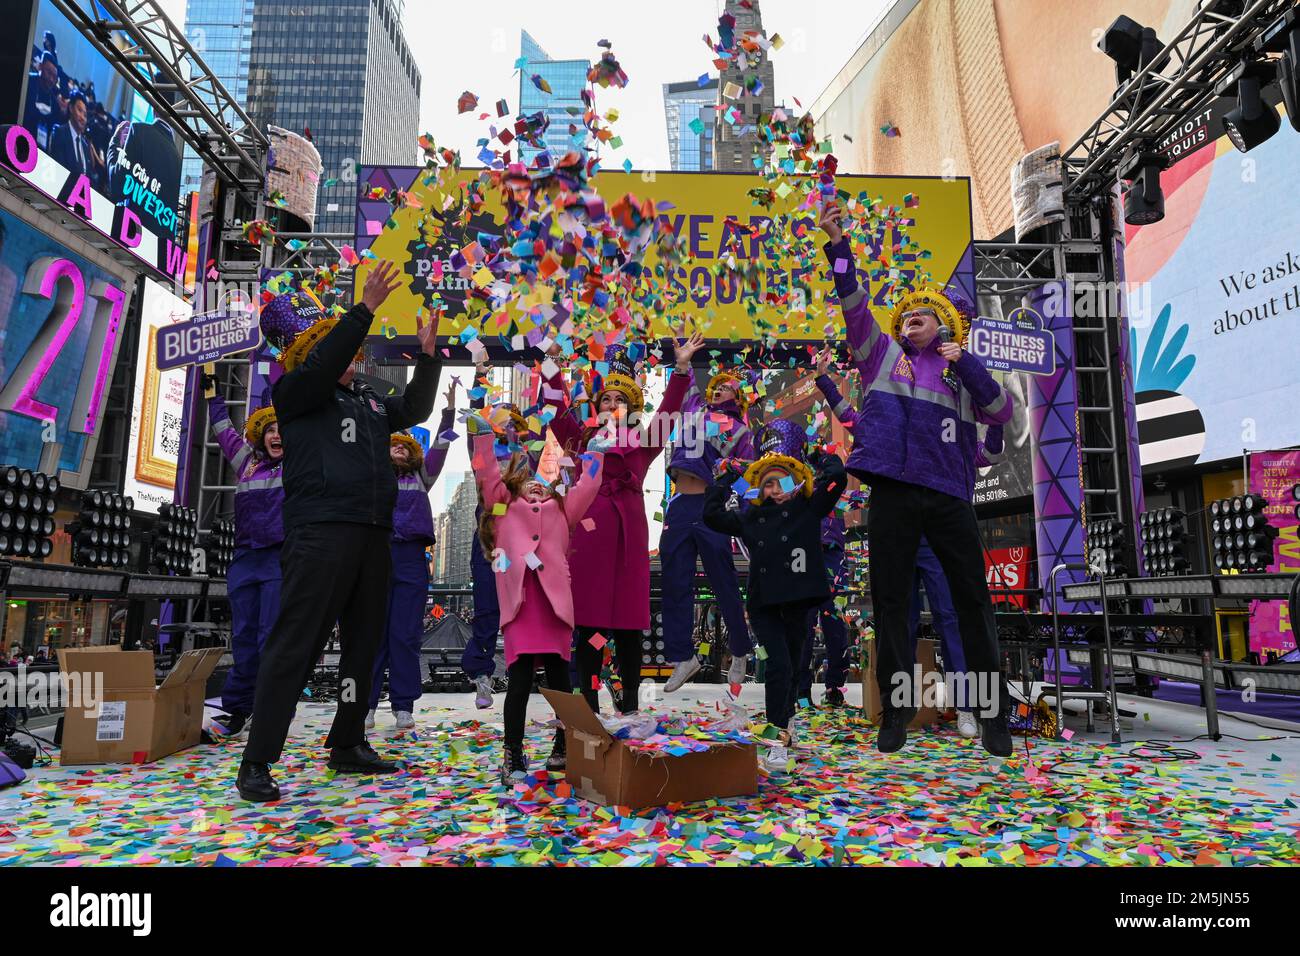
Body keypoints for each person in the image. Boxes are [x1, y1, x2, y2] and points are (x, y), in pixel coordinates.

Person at [236, 261, 438, 803]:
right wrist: (364, 309)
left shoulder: (368, 399)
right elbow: (324, 364)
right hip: (320, 533)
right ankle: (257, 759)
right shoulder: (298, 391)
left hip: (375, 535)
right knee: (295, 643)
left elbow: (414, 407)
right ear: (310, 352)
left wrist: (428, 356)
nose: (356, 358)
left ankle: (347, 740)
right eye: (344, 349)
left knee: (363, 644)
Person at [818, 199, 1015, 756]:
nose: (911, 320)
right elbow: (853, 303)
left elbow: (1002, 413)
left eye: (923, 315)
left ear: (946, 326)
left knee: (972, 602)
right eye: (907, 315)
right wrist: (838, 247)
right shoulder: (879, 355)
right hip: (895, 493)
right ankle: (896, 714)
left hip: (950, 496)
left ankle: (991, 715)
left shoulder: (962, 373)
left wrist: (967, 363)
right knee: (892, 602)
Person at [546, 334, 705, 715]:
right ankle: (588, 704)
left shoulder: (644, 441)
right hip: (590, 537)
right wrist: (551, 364)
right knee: (591, 626)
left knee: (631, 626)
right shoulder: (580, 439)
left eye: (620, 399)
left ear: (631, 408)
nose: (613, 403)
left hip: (630, 537)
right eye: (606, 399)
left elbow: (669, 410)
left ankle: (630, 708)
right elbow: (555, 409)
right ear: (596, 406)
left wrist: (681, 369)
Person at [704, 418, 846, 775]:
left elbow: (838, 477)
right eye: (768, 483)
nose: (776, 488)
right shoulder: (750, 517)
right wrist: (728, 477)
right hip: (764, 605)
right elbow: (712, 515)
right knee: (778, 664)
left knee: (795, 664)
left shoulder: (809, 508)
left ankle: (787, 718)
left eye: (783, 480)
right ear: (760, 489)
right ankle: (777, 736)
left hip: (799, 601)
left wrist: (814, 455)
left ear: (795, 482)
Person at [470, 423, 605, 783]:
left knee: (562, 684)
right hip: (519, 606)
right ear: (515, 486)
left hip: (555, 608)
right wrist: (482, 437)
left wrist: (596, 453)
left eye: (543, 483)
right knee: (519, 682)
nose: (536, 485)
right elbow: (487, 477)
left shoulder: (564, 509)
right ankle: (512, 752)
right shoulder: (503, 508)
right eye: (528, 481)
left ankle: (563, 746)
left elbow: (589, 485)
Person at [366, 387, 456, 732]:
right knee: (373, 635)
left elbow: (442, 447)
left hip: (411, 559)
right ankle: (367, 704)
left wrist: (447, 413)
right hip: (377, 556)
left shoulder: (422, 477)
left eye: (405, 446)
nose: (400, 449)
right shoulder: (372, 476)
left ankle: (403, 706)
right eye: (394, 445)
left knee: (405, 635)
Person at [660, 367, 755, 692]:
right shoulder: (695, 410)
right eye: (715, 386)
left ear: (738, 396)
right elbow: (683, 381)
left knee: (724, 583)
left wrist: (750, 521)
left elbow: (746, 480)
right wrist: (683, 355)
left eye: (726, 388)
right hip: (679, 504)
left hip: (710, 507)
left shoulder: (742, 433)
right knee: (674, 583)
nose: (718, 391)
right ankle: (682, 658)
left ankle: (740, 650)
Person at [203, 375, 286, 736]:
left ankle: (270, 708)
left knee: (272, 637)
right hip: (244, 559)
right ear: (260, 436)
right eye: (269, 429)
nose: (275, 435)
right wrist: (211, 392)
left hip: (279, 561)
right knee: (244, 637)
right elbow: (223, 429)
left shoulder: (298, 466)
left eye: (281, 429)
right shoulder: (245, 463)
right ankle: (237, 709)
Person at [49, 91, 102, 186]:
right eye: (79, 110)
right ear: (71, 108)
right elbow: (58, 169)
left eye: (85, 115)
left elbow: (89, 178)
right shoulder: (59, 132)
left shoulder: (85, 146)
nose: (83, 118)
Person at [23, 54, 62, 150]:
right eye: (49, 73)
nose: (51, 79)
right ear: (40, 67)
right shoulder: (27, 82)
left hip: (39, 150)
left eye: (54, 77)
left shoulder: (55, 103)